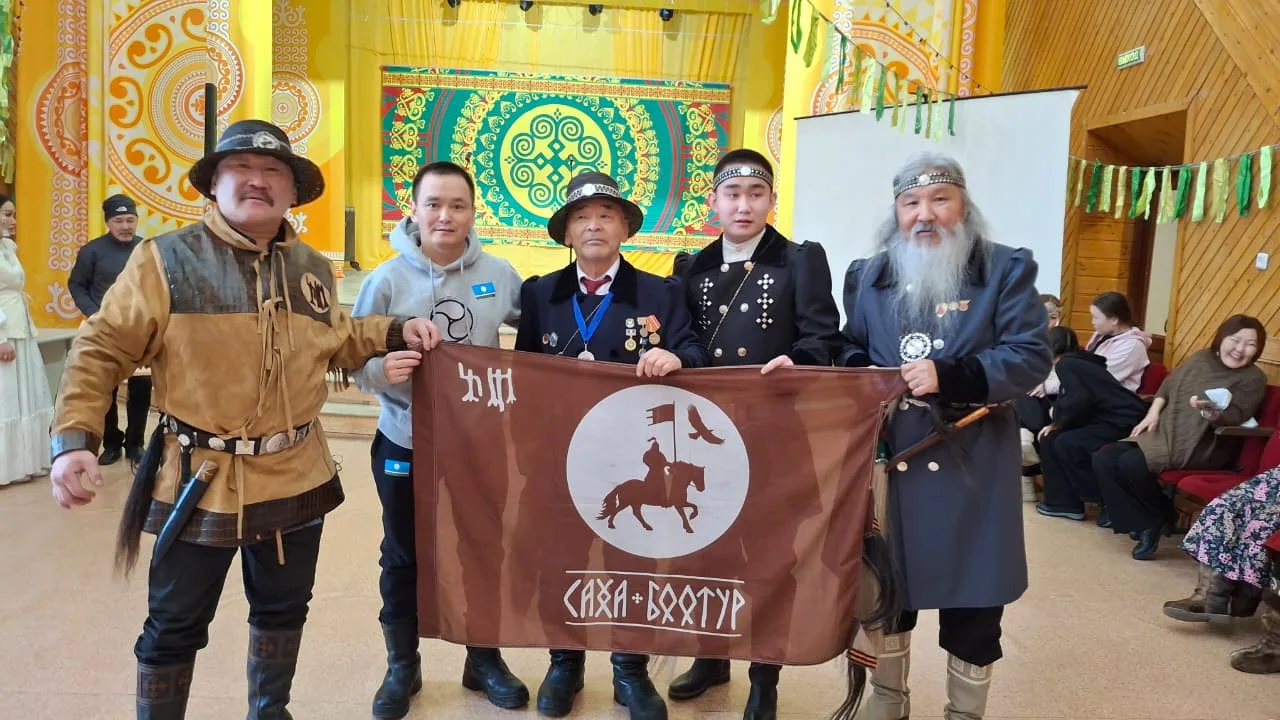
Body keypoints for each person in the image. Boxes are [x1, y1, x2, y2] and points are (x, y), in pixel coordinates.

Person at [46, 119, 440, 719]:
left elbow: (333, 338)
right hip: (197, 478)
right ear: (214, 183)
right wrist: (76, 437)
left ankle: (270, 711)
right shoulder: (165, 259)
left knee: (283, 610)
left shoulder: (311, 266)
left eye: (273, 171)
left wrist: (392, 330)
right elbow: (101, 347)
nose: (258, 180)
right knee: (174, 623)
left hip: (294, 473)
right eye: (242, 169)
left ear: (292, 190)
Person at [839, 152, 1051, 720]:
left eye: (940, 199)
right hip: (891, 462)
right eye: (911, 203)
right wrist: (864, 372)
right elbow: (849, 344)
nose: (925, 214)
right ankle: (888, 699)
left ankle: (964, 712)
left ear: (964, 206)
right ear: (896, 212)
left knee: (975, 601)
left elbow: (1030, 355)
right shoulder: (868, 275)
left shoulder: (1005, 269)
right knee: (888, 589)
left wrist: (952, 375)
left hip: (970, 462)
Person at [514, 170, 710, 720]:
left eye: (606, 215)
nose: (594, 226)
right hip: (560, 452)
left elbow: (695, 351)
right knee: (561, 557)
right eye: (582, 217)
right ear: (566, 232)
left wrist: (676, 357)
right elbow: (525, 370)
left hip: (631, 450)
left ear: (625, 228)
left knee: (633, 557)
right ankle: (565, 661)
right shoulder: (541, 294)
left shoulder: (659, 293)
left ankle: (630, 668)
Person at [667, 148, 842, 719]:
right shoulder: (690, 266)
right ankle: (711, 656)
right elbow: (682, 340)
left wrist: (800, 362)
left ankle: (765, 674)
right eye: (732, 194)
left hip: (775, 426)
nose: (743, 205)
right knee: (706, 548)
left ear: (771, 200)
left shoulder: (800, 259)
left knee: (770, 552)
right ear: (713, 203)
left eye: (755, 194)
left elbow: (823, 337)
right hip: (707, 433)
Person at [351, 160, 527, 718]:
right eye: (433, 204)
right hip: (404, 441)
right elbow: (353, 360)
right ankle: (403, 664)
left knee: (482, 549)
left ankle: (484, 658)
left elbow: (543, 332)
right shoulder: (385, 280)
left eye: (457, 205)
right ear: (414, 210)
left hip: (477, 446)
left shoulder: (500, 275)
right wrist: (383, 371)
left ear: (473, 212)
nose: (445, 215)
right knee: (402, 554)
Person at [1092, 314, 1267, 560]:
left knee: (1131, 464)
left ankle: (1150, 525)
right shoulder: (1201, 358)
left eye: (1250, 344)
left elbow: (1237, 415)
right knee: (1104, 458)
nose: (1240, 349)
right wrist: (1152, 413)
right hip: (1165, 431)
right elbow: (1167, 386)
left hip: (1206, 445)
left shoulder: (1253, 378)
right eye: (1235, 340)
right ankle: (1156, 517)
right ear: (1222, 338)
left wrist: (1205, 406)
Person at [68, 193, 152, 465]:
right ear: (108, 222)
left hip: (139, 329)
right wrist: (95, 313)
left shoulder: (147, 249)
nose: (125, 226)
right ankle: (112, 442)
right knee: (106, 389)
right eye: (119, 220)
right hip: (103, 329)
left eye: (130, 220)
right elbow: (76, 285)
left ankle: (136, 443)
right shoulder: (91, 251)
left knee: (141, 388)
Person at [1033, 327, 1147, 521]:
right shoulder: (1077, 361)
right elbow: (1079, 399)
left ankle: (1108, 501)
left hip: (1122, 419)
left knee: (1068, 443)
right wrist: (1058, 424)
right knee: (1050, 438)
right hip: (1104, 417)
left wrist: (1058, 423)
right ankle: (1062, 503)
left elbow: (1078, 399)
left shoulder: (1066, 365)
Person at [0, 194, 54, 486]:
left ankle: (25, 463)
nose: (13, 220)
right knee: (6, 396)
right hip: (5, 330)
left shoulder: (8, 247)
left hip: (20, 326)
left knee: (25, 394)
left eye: (13, 214)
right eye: (7, 214)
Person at [1081, 291, 1151, 393]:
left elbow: (1099, 377)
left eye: (1096, 318)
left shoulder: (1132, 347)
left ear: (1114, 320)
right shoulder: (1102, 335)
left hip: (1108, 399)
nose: (1093, 322)